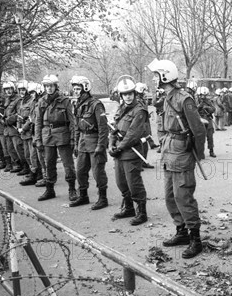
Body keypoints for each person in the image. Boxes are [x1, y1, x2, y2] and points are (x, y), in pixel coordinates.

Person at [150, 60, 206, 258]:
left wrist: (198, 154)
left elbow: (198, 130)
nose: (154, 78)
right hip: (169, 152)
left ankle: (195, 239)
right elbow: (164, 125)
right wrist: (164, 141)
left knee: (183, 196)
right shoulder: (166, 98)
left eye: (157, 75)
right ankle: (181, 230)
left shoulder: (184, 99)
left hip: (182, 153)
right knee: (170, 196)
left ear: (165, 76)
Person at [109, 75, 149, 226]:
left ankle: (142, 212)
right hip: (119, 152)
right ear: (121, 95)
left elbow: (133, 134)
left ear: (134, 93)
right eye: (125, 94)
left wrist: (118, 147)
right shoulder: (121, 108)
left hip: (131, 152)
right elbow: (114, 129)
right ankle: (129, 208)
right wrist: (111, 144)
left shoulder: (140, 111)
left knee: (134, 183)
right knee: (121, 182)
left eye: (130, 93)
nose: (127, 97)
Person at [34, 74, 78, 202]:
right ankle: (49, 189)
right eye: (46, 86)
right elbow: (38, 122)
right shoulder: (41, 101)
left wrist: (73, 139)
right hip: (47, 136)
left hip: (63, 135)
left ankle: (72, 189)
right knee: (49, 164)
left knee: (68, 165)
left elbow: (72, 121)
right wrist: (38, 140)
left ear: (55, 86)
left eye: (51, 86)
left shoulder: (64, 101)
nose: (49, 88)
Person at [69, 76, 110, 210]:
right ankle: (83, 196)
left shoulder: (96, 105)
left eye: (78, 88)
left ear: (86, 88)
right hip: (82, 142)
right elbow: (76, 126)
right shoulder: (77, 105)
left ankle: (102, 198)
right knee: (80, 171)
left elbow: (103, 128)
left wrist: (101, 145)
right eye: (74, 88)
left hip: (94, 142)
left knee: (98, 172)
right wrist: (76, 144)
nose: (76, 91)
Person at [17, 81, 42, 186]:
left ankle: (37, 175)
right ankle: (33, 172)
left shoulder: (36, 102)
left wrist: (23, 127)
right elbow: (19, 116)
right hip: (27, 131)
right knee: (27, 155)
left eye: (33, 92)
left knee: (33, 155)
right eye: (30, 92)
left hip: (32, 131)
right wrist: (19, 127)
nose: (31, 94)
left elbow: (32, 118)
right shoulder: (23, 102)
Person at [2, 81, 27, 174]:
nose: (8, 91)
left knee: (18, 148)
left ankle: (25, 166)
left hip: (14, 128)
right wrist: (3, 118)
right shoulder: (6, 100)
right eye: (6, 89)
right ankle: (17, 164)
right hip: (7, 129)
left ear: (13, 89)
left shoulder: (18, 100)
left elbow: (18, 114)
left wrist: (9, 120)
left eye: (9, 89)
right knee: (10, 148)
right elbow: (5, 113)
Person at [135, 82, 156, 169]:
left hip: (144, 124)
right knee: (140, 145)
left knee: (144, 146)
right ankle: (139, 164)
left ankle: (143, 162)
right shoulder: (137, 100)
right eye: (143, 91)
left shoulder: (141, 99)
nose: (144, 92)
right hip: (140, 125)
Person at [195, 86, 216, 157]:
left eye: (204, 95)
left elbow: (213, 109)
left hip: (208, 119)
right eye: (201, 95)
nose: (203, 97)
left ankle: (211, 150)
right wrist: (199, 106)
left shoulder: (209, 101)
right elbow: (193, 111)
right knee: (201, 137)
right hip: (199, 120)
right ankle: (201, 152)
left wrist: (208, 108)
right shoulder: (195, 101)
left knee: (210, 136)